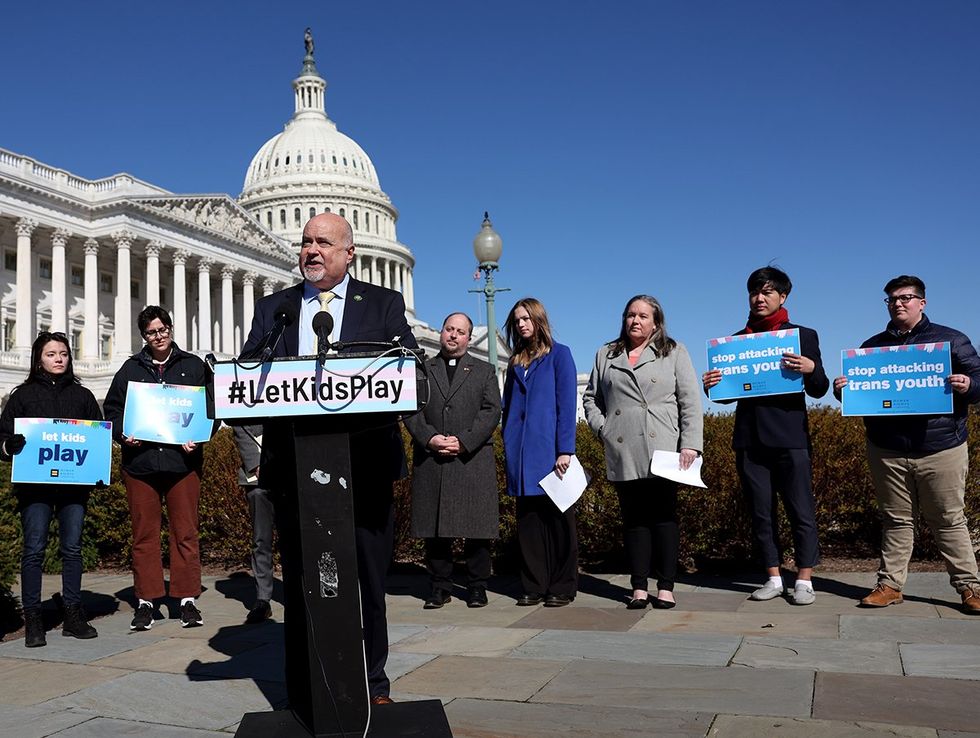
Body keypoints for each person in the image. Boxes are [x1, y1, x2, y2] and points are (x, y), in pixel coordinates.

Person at [240, 212, 417, 705]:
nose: (312, 250)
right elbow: (248, 373)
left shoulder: (382, 304)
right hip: (296, 467)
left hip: (365, 464)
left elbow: (404, 368)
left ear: (348, 253)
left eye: (323, 242)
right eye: (305, 242)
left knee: (369, 582)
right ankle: (305, 682)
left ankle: (374, 683)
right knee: (300, 581)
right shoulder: (274, 308)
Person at [833, 275, 980, 614]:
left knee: (949, 519)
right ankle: (889, 585)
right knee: (895, 520)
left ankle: (970, 587)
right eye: (892, 299)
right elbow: (860, 394)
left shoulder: (952, 341)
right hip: (887, 448)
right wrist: (843, 389)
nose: (898, 303)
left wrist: (969, 384)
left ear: (922, 302)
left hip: (942, 446)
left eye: (906, 297)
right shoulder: (872, 347)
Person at [702, 267, 828, 605]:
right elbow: (726, 395)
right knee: (761, 512)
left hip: (790, 437)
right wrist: (712, 385)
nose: (760, 298)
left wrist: (811, 369)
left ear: (783, 297)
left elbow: (820, 388)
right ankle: (773, 576)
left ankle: (804, 578)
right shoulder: (735, 342)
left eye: (768, 292)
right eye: (755, 292)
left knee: (801, 509)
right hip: (750, 438)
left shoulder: (802, 336)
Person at [583, 295, 703, 609]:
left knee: (663, 517)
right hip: (623, 445)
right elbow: (591, 398)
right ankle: (638, 586)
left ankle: (665, 586)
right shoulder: (606, 353)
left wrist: (690, 442)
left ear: (656, 322)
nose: (636, 321)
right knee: (634, 520)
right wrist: (603, 428)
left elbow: (689, 400)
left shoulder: (673, 351)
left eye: (643, 316)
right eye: (630, 315)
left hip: (663, 446)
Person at [103, 306, 213, 631]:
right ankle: (147, 601)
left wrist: (200, 436)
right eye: (152, 332)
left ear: (171, 328)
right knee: (144, 536)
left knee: (186, 533)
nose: (159, 336)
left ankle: (187, 600)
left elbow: (210, 406)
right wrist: (124, 433)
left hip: (183, 464)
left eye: (163, 329)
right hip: (141, 465)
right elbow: (112, 410)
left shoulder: (193, 366)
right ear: (144, 337)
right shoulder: (130, 369)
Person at [0, 332, 102, 647]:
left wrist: (97, 467)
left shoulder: (83, 396)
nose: (58, 358)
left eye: (63, 353)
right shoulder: (22, 395)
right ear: (38, 359)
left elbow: (97, 435)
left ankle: (72, 612)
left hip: (74, 486)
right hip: (35, 487)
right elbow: (1, 437)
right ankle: (34, 619)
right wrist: (9, 445)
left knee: (72, 548)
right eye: (50, 353)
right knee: (34, 550)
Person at [404, 312, 501, 609]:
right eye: (449, 329)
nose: (453, 335)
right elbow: (411, 407)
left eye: (460, 331)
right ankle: (439, 586)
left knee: (477, 529)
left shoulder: (484, 370)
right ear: (442, 332)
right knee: (436, 530)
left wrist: (464, 441)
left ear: (469, 338)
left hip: (471, 459)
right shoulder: (422, 368)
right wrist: (428, 438)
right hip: (432, 457)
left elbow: (491, 410)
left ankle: (476, 586)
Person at [502, 297, 578, 607]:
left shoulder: (560, 355)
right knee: (529, 524)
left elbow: (566, 404)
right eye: (516, 320)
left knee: (559, 523)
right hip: (521, 454)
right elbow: (508, 409)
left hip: (550, 453)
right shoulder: (515, 361)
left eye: (525, 318)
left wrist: (565, 449)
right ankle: (533, 584)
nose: (521, 324)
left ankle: (562, 585)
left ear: (538, 320)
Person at [232, 424, 275, 624]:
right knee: (261, 540)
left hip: (291, 470)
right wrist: (256, 463)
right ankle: (263, 599)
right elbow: (240, 425)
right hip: (256, 479)